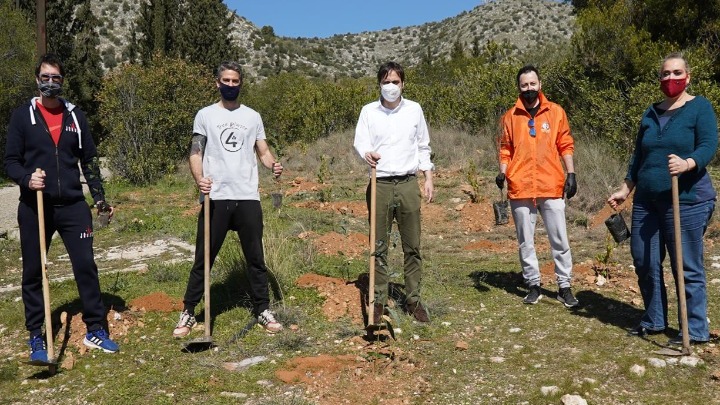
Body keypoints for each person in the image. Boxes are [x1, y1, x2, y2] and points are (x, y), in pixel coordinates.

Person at [4, 54, 119, 361]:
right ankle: (37, 336)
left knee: (85, 266)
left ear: (62, 81)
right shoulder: (22, 116)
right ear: (37, 79)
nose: (50, 82)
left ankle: (96, 329)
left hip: (72, 206)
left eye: (56, 78)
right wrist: (28, 179)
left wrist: (100, 199)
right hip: (35, 206)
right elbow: (10, 161)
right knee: (33, 270)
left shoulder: (75, 116)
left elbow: (89, 160)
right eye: (46, 77)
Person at [608, 53, 717, 345]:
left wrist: (688, 163)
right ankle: (655, 319)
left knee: (686, 265)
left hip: (687, 198)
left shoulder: (699, 108)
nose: (671, 79)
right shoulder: (650, 112)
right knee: (644, 259)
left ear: (688, 76)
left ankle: (694, 329)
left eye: (677, 73)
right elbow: (638, 156)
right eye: (666, 74)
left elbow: (709, 145)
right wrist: (625, 188)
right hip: (647, 199)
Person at [173, 61, 284, 338]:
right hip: (216, 196)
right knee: (204, 258)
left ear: (241, 84)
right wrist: (199, 179)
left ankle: (262, 309)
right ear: (218, 83)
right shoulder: (205, 115)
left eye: (235, 81)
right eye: (226, 80)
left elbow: (263, 151)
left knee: (255, 258)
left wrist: (273, 165)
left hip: (247, 196)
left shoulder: (252, 117)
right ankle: (188, 312)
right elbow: (196, 152)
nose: (231, 85)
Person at [353, 61, 434, 324]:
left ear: (403, 84)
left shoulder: (414, 110)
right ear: (379, 84)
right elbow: (360, 141)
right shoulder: (368, 112)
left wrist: (428, 177)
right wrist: (367, 153)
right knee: (379, 245)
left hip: (408, 183)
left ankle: (413, 299)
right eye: (386, 82)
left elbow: (423, 145)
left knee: (413, 245)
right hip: (381, 183)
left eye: (395, 82)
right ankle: (378, 300)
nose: (391, 86)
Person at [496, 65, 579, 308]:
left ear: (540, 84)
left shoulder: (555, 112)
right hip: (520, 186)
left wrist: (571, 173)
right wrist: (502, 173)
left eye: (533, 84)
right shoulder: (510, 117)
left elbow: (565, 143)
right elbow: (505, 148)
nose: (529, 89)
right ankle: (533, 285)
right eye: (524, 85)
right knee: (525, 241)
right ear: (519, 88)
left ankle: (564, 286)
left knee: (559, 238)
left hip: (551, 183)